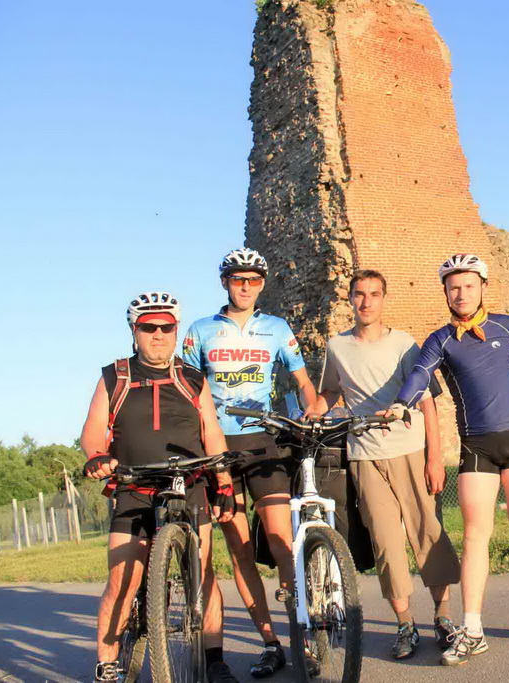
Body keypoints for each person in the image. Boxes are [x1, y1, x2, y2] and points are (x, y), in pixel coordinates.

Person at [388, 254, 509, 666]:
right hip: (477, 446)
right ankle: (473, 628)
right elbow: (419, 374)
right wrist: (401, 403)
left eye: (468, 285)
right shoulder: (441, 340)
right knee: (475, 535)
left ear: (483, 287)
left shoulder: (507, 326)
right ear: (445, 293)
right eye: (453, 287)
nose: (461, 293)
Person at [80, 291, 238, 683]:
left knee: (202, 574)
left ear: (175, 330)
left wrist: (223, 481)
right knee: (123, 579)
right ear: (133, 331)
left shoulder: (192, 378)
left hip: (190, 484)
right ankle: (108, 665)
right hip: (133, 487)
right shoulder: (115, 377)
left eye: (166, 327)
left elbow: (212, 432)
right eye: (148, 327)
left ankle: (215, 661)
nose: (158, 334)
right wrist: (97, 455)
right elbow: (93, 429)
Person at [182, 248, 321, 678]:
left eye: (254, 280)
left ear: (262, 284)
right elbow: (185, 390)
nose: (245, 287)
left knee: (282, 541)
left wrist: (313, 410)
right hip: (216, 446)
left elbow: (302, 382)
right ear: (225, 283)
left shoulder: (276, 328)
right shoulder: (201, 330)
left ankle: (304, 635)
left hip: (261, 443)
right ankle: (270, 643)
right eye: (238, 279)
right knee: (239, 550)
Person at [312, 269, 461, 659]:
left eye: (374, 294)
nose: (366, 302)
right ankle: (405, 625)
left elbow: (427, 401)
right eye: (359, 294)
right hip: (364, 455)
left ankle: (443, 618)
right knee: (386, 543)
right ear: (349, 298)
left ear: (384, 298)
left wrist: (434, 458)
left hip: (409, 450)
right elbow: (331, 391)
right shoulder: (337, 347)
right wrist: (312, 411)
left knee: (427, 533)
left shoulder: (404, 344)